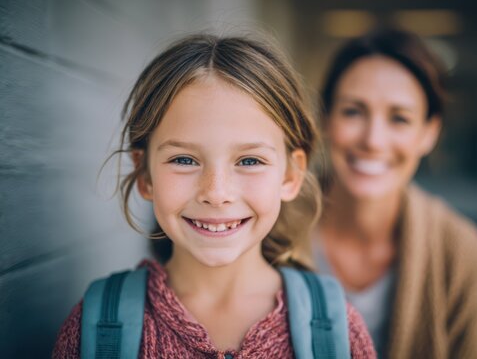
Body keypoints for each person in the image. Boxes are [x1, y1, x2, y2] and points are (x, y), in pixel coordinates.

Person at [52, 34, 376, 358]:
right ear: (145, 175)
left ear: (291, 175)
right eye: (184, 160)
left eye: (250, 161)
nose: (216, 193)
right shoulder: (94, 329)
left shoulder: (338, 331)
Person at [313, 28, 477, 358]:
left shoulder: (459, 248)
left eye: (399, 118)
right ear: (326, 119)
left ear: (429, 133)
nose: (373, 140)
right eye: (353, 111)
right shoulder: (272, 227)